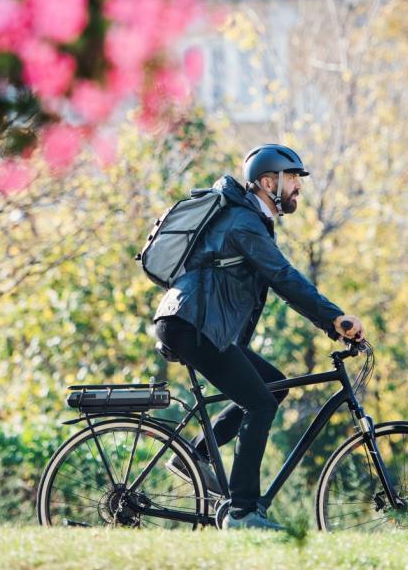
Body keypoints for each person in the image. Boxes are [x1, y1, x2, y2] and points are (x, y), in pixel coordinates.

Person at [152, 143, 364, 531]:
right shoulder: (243, 222)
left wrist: (328, 322)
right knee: (260, 404)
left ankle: (196, 455)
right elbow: (283, 278)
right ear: (268, 182)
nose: (298, 186)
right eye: (293, 179)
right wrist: (334, 318)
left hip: (201, 325)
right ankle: (242, 512)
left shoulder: (250, 220)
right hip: (191, 324)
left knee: (273, 384)